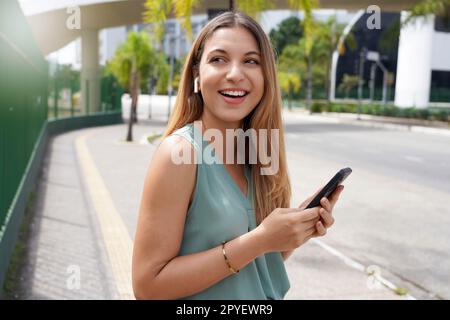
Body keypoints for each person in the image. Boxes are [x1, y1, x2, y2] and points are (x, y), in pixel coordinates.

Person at [132, 10, 344, 300]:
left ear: (266, 75)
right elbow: (147, 287)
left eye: (251, 61)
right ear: (197, 72)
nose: (235, 74)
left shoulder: (259, 151)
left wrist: (292, 232)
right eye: (218, 59)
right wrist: (260, 239)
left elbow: (255, 265)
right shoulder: (180, 154)